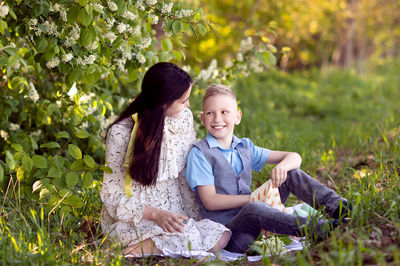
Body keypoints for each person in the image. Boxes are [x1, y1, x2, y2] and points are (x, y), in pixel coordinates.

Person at [185, 84, 352, 253]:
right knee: (254, 208)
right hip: (232, 234)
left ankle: (340, 208)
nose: (217, 119)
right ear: (202, 118)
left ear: (237, 116)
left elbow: (295, 157)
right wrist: (253, 199)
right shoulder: (200, 153)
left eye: (224, 112)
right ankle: (317, 229)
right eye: (210, 113)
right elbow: (210, 201)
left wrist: (282, 167)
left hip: (260, 220)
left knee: (290, 173)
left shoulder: (244, 146)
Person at [100, 63, 231, 256]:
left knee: (221, 234)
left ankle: (159, 248)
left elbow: (185, 173)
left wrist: (196, 215)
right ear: (163, 102)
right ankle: (127, 250)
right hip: (137, 218)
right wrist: (156, 214)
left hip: (175, 213)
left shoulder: (184, 118)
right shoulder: (121, 133)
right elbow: (111, 196)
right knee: (187, 239)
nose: (188, 105)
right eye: (183, 100)